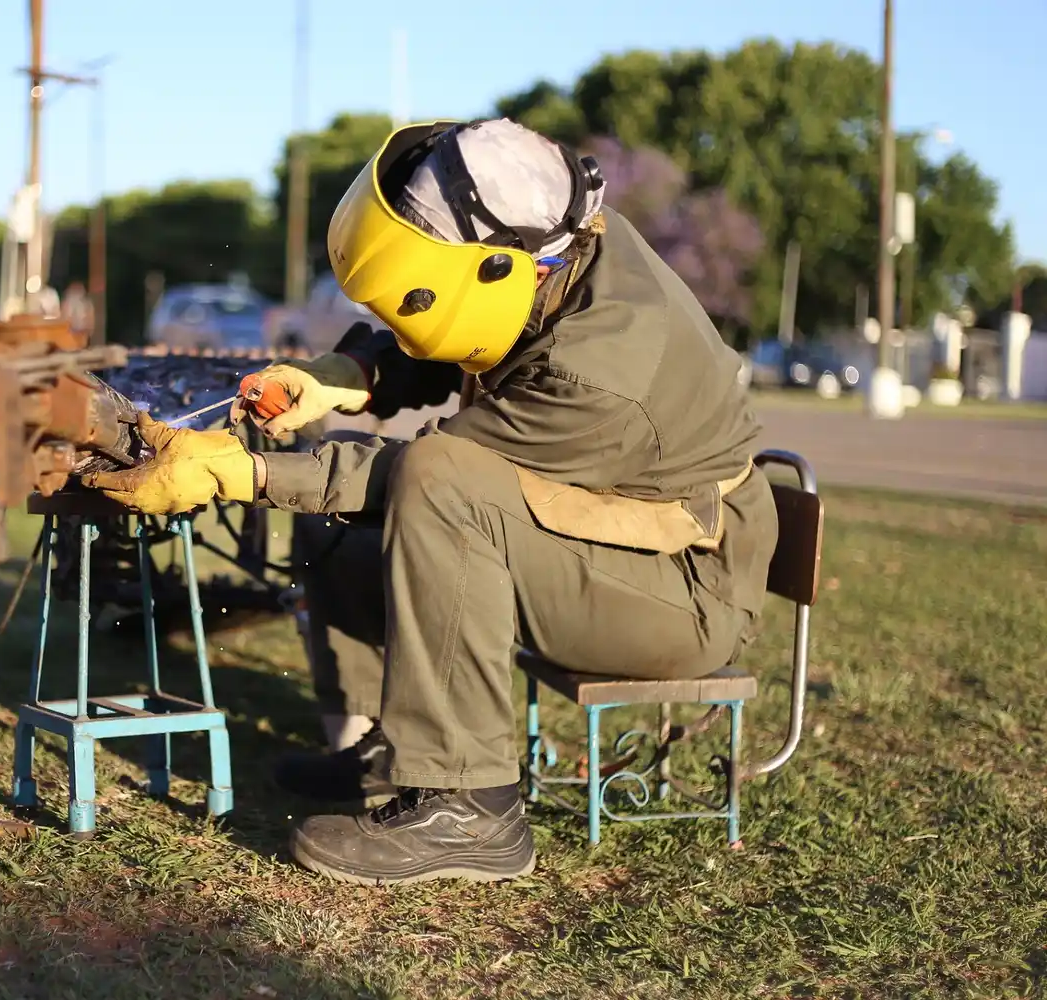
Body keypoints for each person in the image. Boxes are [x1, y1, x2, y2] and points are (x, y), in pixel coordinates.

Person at [83, 117, 779, 886]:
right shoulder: (554, 253)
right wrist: (342, 374)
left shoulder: (602, 370)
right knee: (348, 525)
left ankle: (469, 808)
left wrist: (238, 473)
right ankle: (389, 752)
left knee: (438, 485)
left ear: (498, 267)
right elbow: (468, 339)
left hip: (686, 592)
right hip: (616, 542)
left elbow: (421, 475)